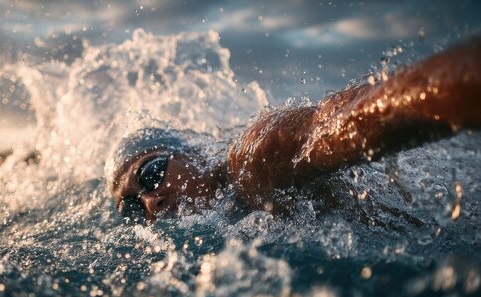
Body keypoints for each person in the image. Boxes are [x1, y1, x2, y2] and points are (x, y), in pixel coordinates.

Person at [108, 39, 481, 223]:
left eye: (150, 173)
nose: (150, 202)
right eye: (131, 209)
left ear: (187, 151)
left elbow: (357, 114)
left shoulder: (254, 161)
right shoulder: (225, 195)